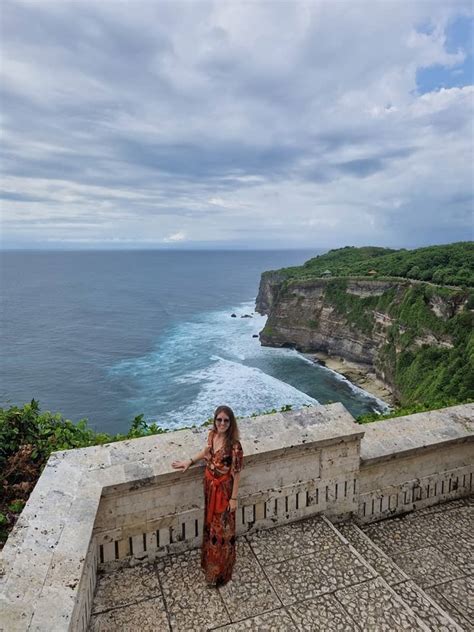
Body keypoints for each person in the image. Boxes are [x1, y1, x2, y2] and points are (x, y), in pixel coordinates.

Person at [171, 405, 243, 587]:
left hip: (224, 492)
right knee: (210, 527)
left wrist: (233, 499)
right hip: (210, 488)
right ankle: (209, 567)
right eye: (219, 419)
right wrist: (189, 461)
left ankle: (221, 573)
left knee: (222, 530)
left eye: (226, 420)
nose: (222, 423)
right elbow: (205, 453)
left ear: (231, 422)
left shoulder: (234, 446)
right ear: (215, 420)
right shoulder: (212, 435)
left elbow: (237, 473)